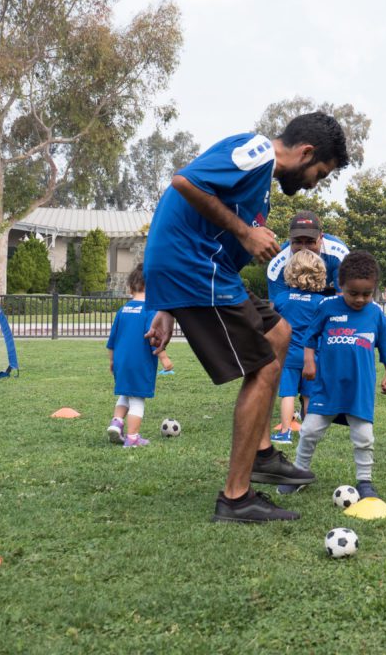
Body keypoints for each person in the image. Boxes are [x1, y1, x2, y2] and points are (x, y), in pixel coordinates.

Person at [142, 111, 349, 523]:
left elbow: (195, 219)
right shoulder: (257, 153)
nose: (314, 183)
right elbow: (183, 182)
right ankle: (236, 498)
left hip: (205, 269)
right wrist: (244, 232)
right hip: (196, 269)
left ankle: (262, 454)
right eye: (319, 173)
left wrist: (165, 306)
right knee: (267, 367)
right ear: (306, 152)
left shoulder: (260, 178)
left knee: (280, 333)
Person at [279, 250, 386, 499]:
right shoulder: (327, 306)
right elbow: (310, 338)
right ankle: (299, 473)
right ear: (340, 285)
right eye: (353, 293)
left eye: (367, 293)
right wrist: (309, 361)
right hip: (326, 387)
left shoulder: (375, 314)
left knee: (364, 437)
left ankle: (364, 481)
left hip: (359, 390)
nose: (360, 299)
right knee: (309, 431)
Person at [105, 265, 174, 448]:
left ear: (129, 289)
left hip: (121, 362)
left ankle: (117, 423)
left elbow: (112, 340)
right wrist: (165, 358)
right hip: (139, 363)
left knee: (125, 395)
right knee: (137, 400)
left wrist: (112, 361)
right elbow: (155, 338)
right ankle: (133, 438)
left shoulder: (122, 311)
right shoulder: (151, 312)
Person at [269, 250, 327, 445]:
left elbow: (272, 324)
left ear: (290, 272)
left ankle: (285, 432)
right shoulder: (321, 303)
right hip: (313, 357)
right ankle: (309, 434)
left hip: (288, 356)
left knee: (288, 393)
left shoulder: (282, 299)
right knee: (309, 395)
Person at [265, 210, 347, 299]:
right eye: (298, 242)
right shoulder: (278, 264)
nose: (304, 249)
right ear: (290, 238)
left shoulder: (339, 255)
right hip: (294, 298)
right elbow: (276, 307)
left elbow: (344, 300)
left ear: (321, 237)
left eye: (310, 242)